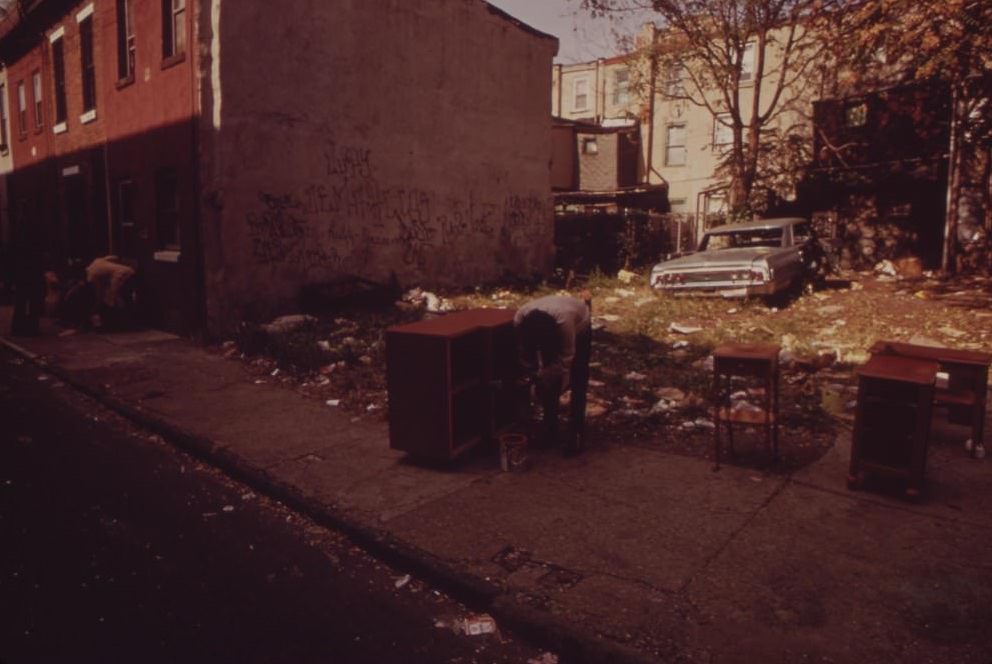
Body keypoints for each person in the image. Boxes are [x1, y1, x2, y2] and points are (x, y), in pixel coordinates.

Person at [514, 294, 592, 454]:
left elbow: (566, 359)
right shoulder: (519, 319)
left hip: (580, 323)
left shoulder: (565, 324)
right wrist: (532, 374)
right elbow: (523, 351)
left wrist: (544, 375)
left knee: (579, 377)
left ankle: (576, 434)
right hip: (555, 314)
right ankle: (550, 430)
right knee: (549, 381)